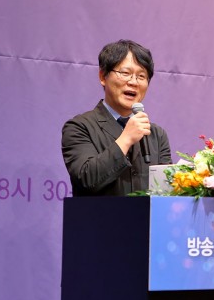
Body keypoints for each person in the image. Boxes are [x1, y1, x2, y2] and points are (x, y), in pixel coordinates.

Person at [61, 40, 172, 196]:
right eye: (125, 73)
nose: (133, 82)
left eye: (141, 76)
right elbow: (86, 179)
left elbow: (166, 192)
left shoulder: (157, 135)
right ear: (103, 76)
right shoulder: (79, 127)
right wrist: (126, 138)